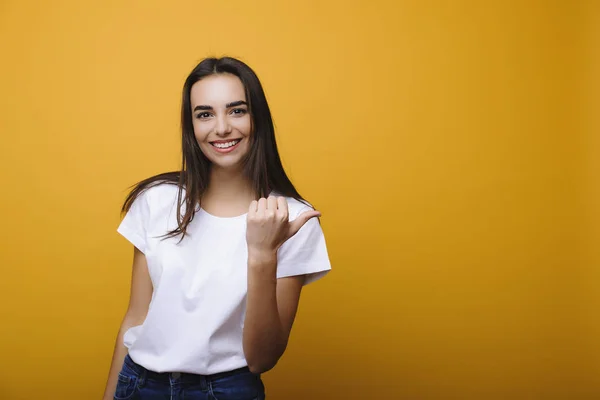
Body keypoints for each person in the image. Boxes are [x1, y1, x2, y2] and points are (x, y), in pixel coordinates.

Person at [102, 56, 331, 400]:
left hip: (225, 391)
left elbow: (262, 358)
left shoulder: (291, 219)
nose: (221, 128)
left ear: (258, 119)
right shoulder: (157, 201)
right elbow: (136, 317)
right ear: (191, 126)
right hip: (138, 385)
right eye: (205, 114)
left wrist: (262, 253)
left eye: (237, 110)